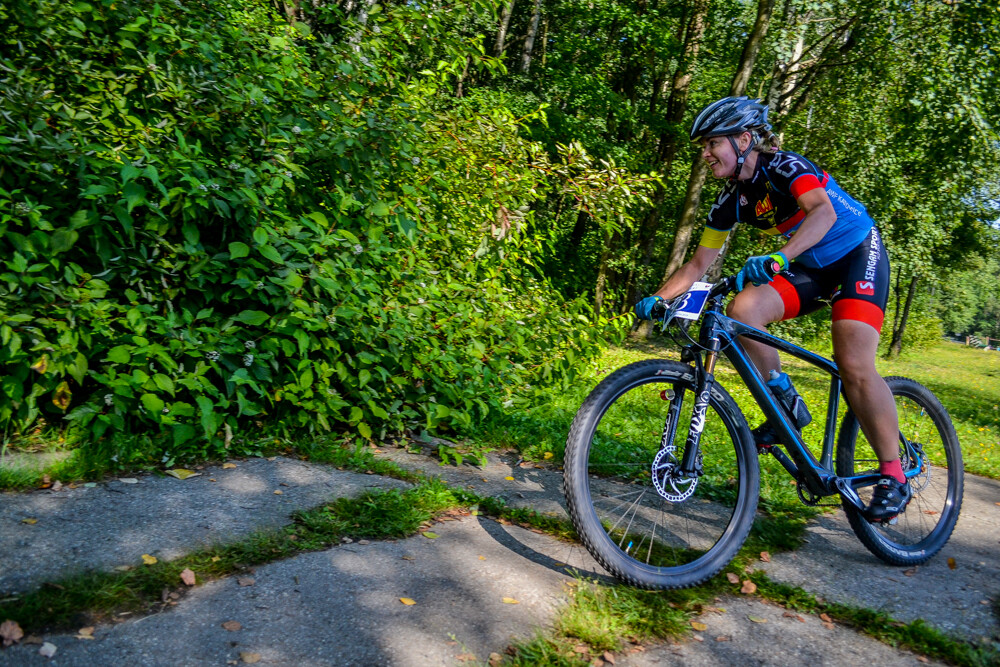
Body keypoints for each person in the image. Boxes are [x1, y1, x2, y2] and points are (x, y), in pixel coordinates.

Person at [635, 96, 909, 523]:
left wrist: (781, 257)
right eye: (703, 147)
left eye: (712, 144)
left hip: (857, 252)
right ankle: (785, 403)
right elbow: (697, 264)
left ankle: (894, 475)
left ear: (745, 140)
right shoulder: (730, 199)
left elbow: (822, 212)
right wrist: (660, 297)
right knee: (743, 309)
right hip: (812, 265)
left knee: (853, 363)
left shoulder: (786, 166)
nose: (705, 155)